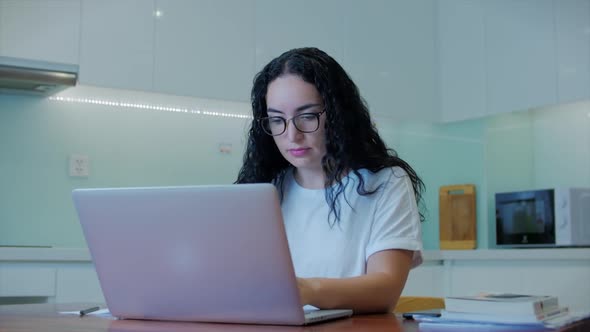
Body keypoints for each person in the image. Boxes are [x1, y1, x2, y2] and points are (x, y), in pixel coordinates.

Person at [236, 47, 424, 314]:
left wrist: (307, 290)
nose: (292, 135)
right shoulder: (266, 190)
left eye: (308, 116)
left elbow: (386, 288)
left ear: (338, 116)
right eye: (278, 120)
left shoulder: (385, 183)